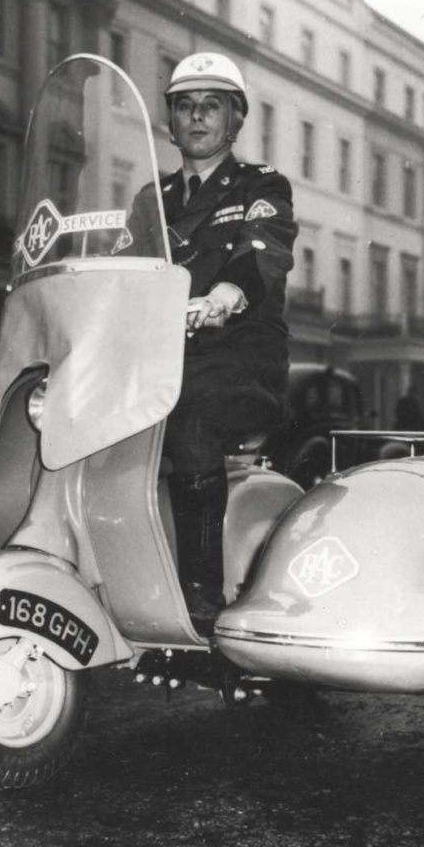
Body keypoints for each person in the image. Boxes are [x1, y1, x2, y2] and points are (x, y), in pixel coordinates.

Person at [123, 52, 298, 637]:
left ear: (235, 119)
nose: (197, 117)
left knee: (190, 414)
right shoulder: (152, 199)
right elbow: (125, 271)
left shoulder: (261, 185)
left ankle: (200, 596)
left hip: (240, 363)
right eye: (185, 106)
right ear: (170, 122)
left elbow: (264, 251)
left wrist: (224, 296)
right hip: (163, 361)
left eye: (211, 106)